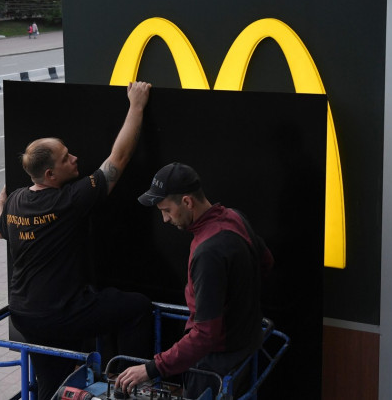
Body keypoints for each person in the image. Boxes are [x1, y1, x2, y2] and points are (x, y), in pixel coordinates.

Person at [0, 81, 153, 400]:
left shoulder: (18, 201)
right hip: (61, 314)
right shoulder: (68, 202)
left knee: (54, 384)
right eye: (66, 158)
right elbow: (117, 160)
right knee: (138, 308)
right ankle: (129, 385)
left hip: (25, 314)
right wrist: (136, 105)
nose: (75, 158)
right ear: (50, 175)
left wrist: (1, 204)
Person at [116, 162, 274, 399]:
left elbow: (205, 335)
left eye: (167, 210)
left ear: (187, 202)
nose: (165, 219)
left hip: (216, 364)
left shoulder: (208, 251)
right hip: (247, 346)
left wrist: (150, 368)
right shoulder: (235, 217)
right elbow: (266, 262)